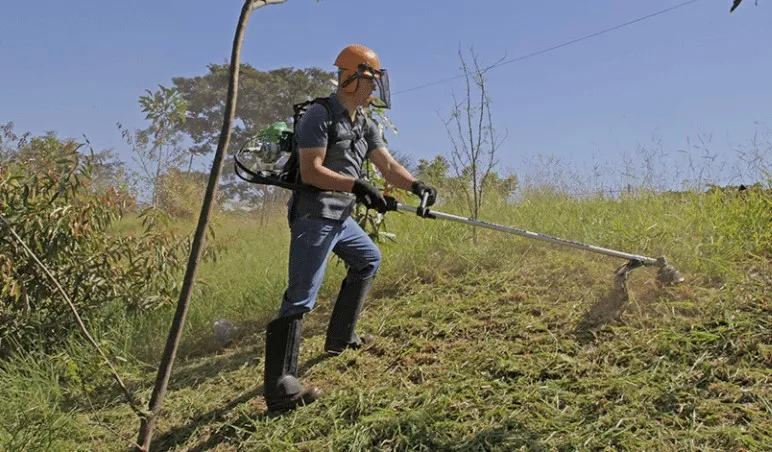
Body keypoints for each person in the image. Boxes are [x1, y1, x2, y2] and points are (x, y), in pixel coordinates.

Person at [262, 44, 438, 413]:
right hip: (315, 215)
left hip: (341, 217)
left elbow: (388, 166)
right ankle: (281, 389)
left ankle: (340, 338)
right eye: (371, 81)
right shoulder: (319, 115)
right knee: (300, 296)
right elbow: (312, 171)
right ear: (351, 77)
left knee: (367, 259)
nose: (375, 89)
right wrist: (357, 186)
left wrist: (417, 185)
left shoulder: (365, 124)